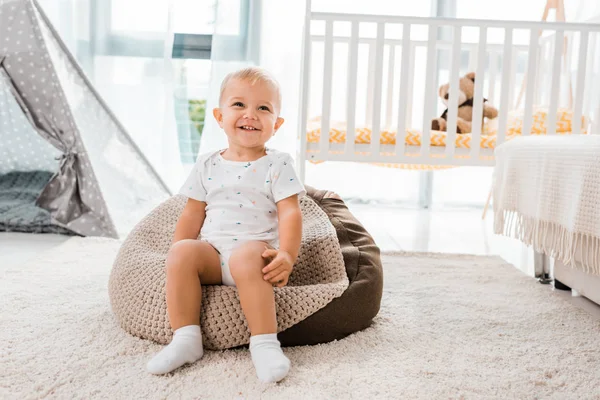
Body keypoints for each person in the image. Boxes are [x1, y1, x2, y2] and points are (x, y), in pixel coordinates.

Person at [146, 66, 305, 384]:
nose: (251, 114)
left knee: (246, 255)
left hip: (254, 256)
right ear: (219, 117)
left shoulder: (277, 163)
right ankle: (186, 339)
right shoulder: (207, 163)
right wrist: (177, 256)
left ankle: (263, 343)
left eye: (263, 108)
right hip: (213, 257)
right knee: (182, 253)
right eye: (239, 105)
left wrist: (286, 254)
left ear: (278, 124)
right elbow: (192, 213)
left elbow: (290, 213)